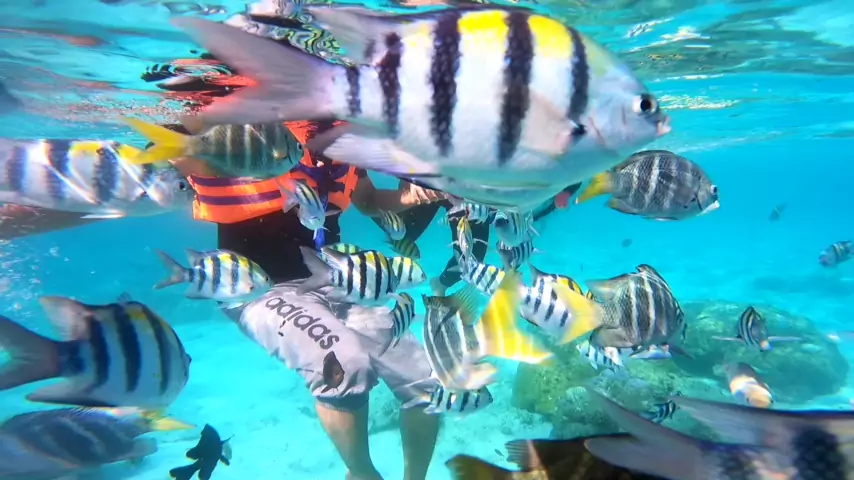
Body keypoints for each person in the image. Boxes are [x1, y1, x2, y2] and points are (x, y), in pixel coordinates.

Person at [376, 182, 584, 296]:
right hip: (442, 179)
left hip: (475, 198)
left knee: (472, 257)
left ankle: (440, 284)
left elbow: (576, 163)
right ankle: (369, 204)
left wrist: (566, 191)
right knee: (402, 233)